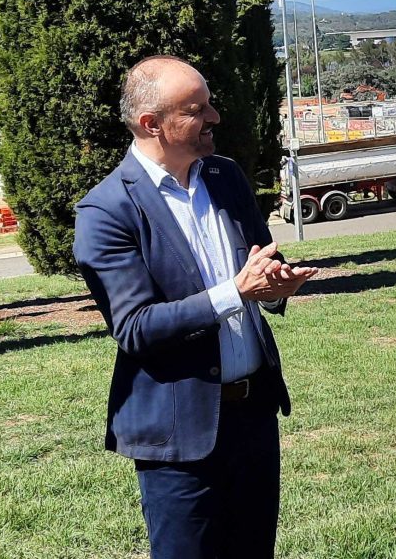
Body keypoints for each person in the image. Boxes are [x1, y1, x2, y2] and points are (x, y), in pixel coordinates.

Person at [74, 56, 317, 559]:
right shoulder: (107, 210)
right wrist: (236, 292)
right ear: (151, 125)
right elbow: (135, 327)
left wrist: (275, 284)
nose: (215, 118)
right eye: (197, 109)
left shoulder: (225, 176)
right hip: (178, 437)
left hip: (253, 416)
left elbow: (258, 261)